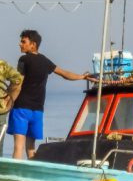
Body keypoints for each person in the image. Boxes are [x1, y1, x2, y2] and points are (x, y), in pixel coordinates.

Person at [8, 29, 91, 159]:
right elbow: (65, 74)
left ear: (33, 44)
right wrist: (82, 77)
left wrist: (8, 102)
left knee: (18, 146)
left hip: (21, 108)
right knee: (31, 149)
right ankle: (32, 174)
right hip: (37, 111)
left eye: (23, 41)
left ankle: (14, 175)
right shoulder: (45, 61)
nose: (20, 44)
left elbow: (18, 84)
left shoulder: (24, 59)